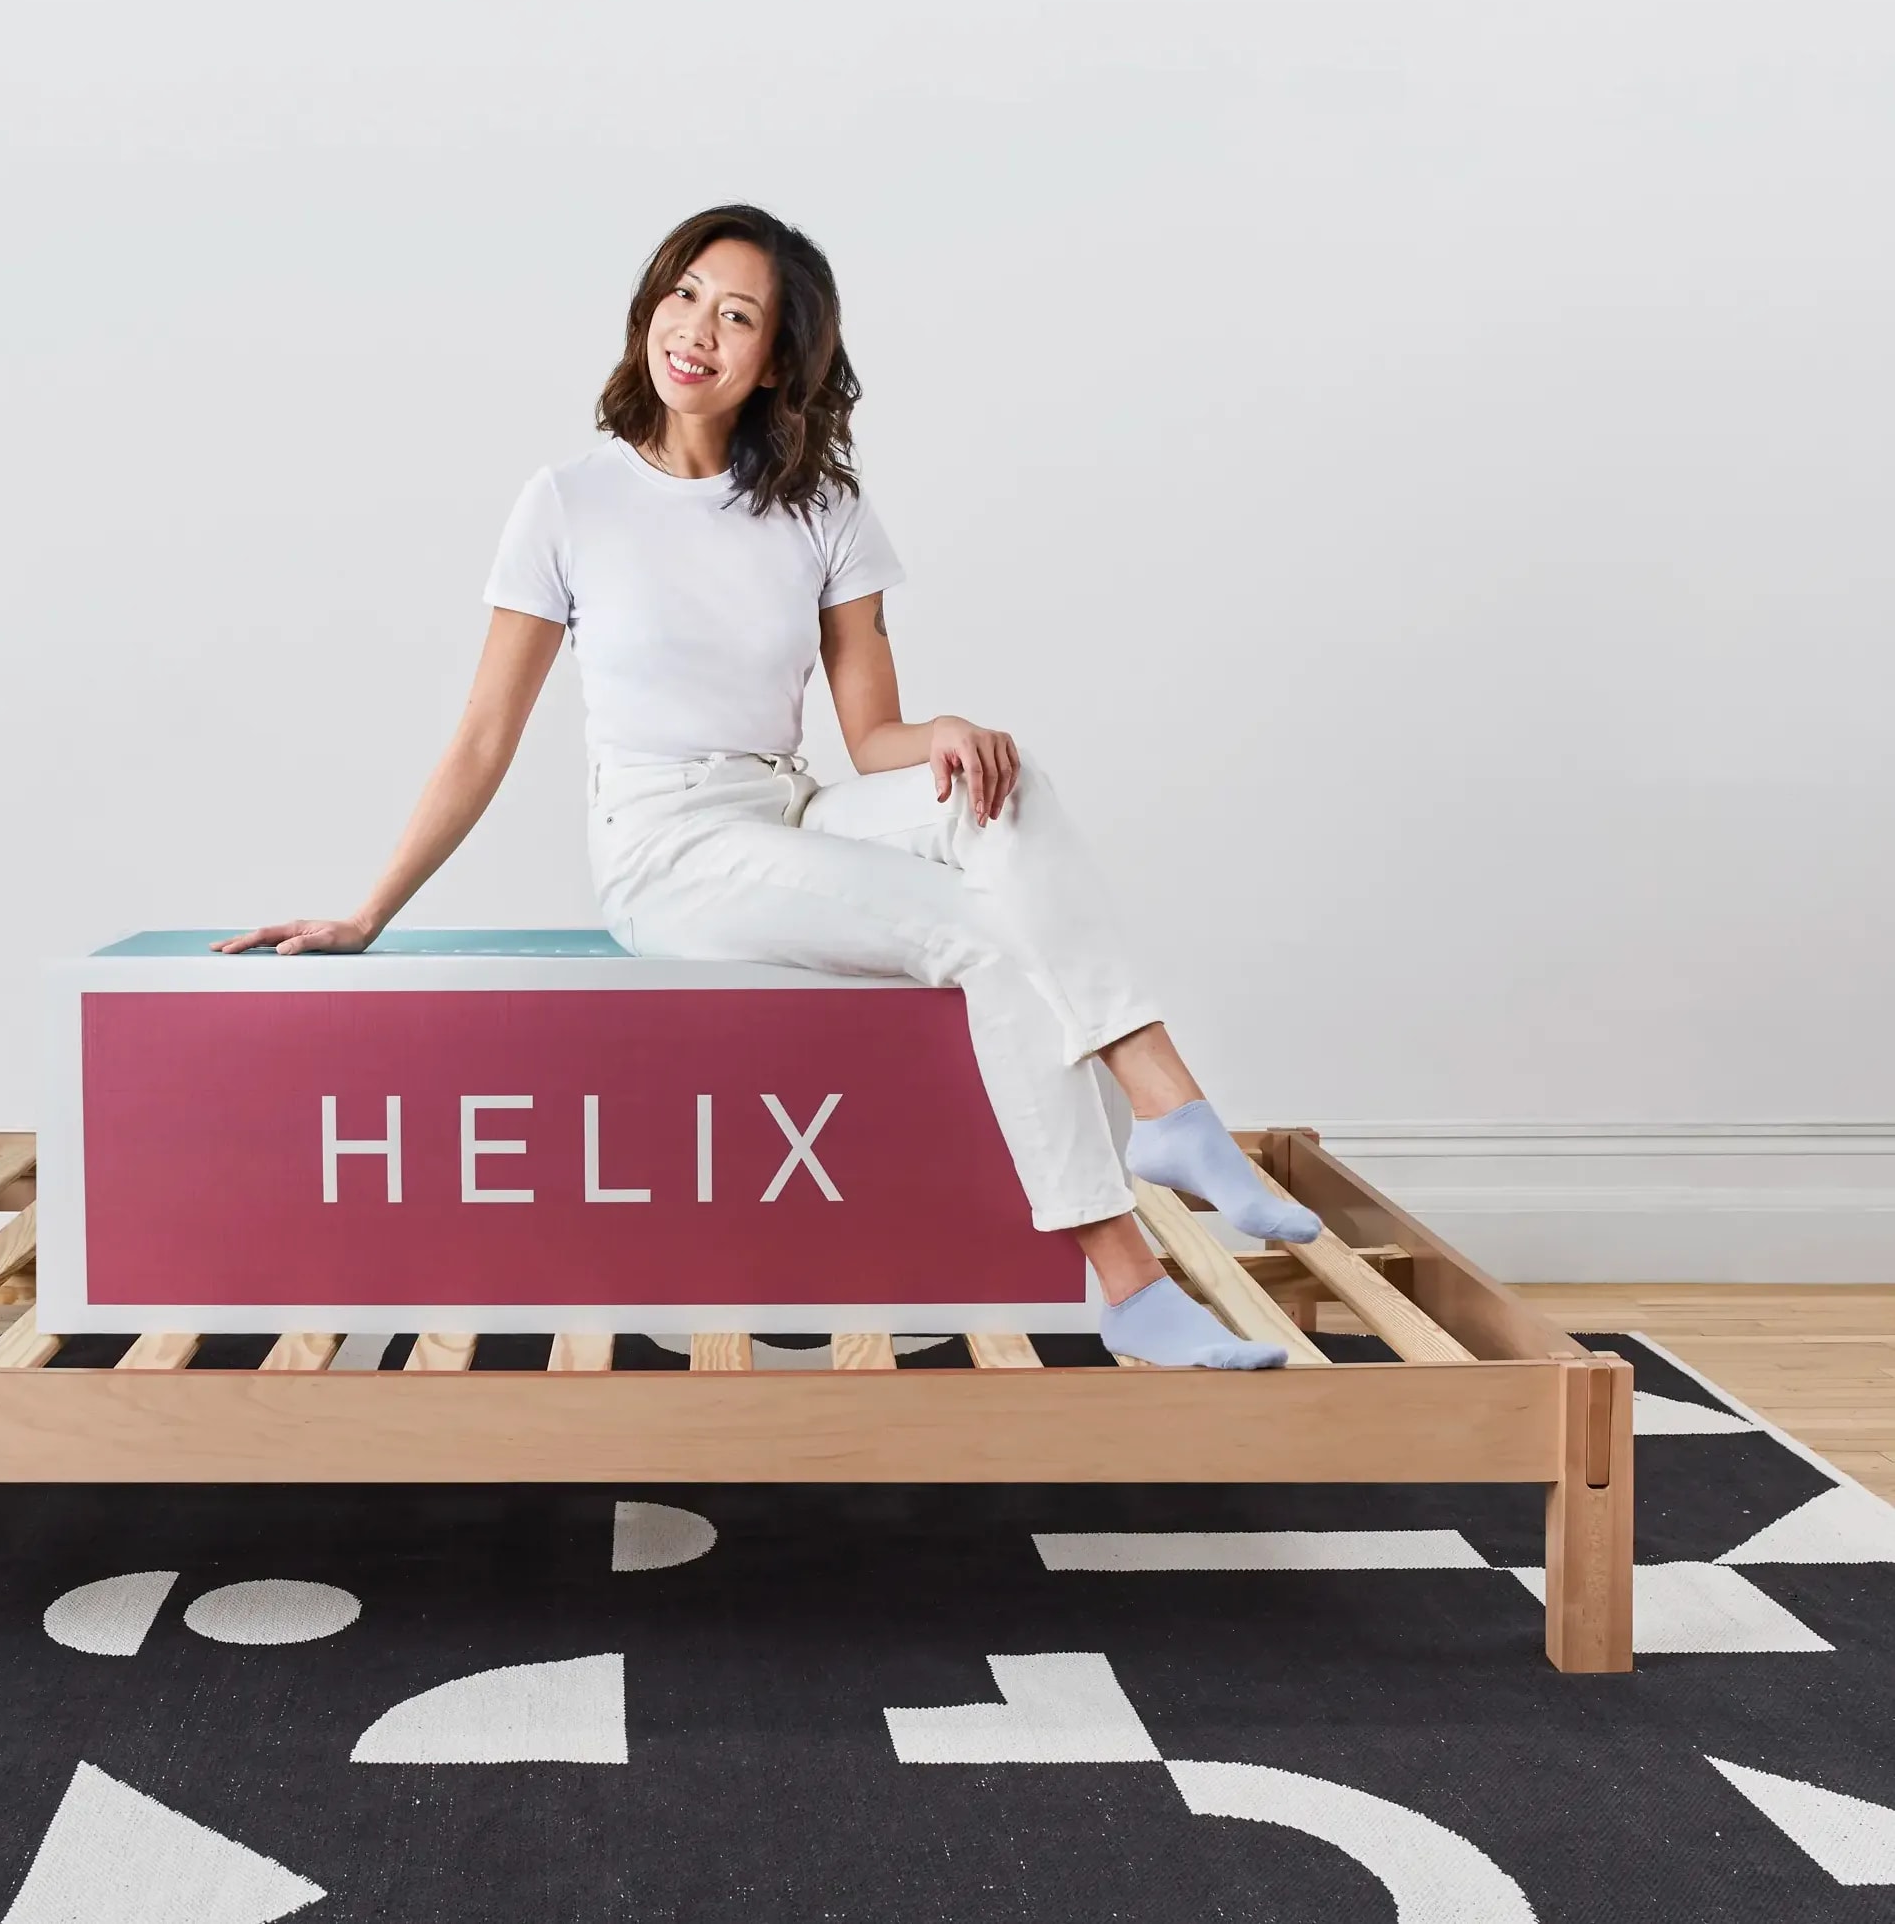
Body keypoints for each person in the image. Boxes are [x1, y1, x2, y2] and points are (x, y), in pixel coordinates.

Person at [215, 203, 1320, 1369]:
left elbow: (871, 735)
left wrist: (942, 730)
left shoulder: (822, 507)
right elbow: (484, 736)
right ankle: (1126, 1275)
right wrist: (368, 911)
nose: (694, 330)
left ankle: (1166, 1108)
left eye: (734, 315)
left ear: (778, 359)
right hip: (665, 847)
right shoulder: (569, 502)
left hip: (788, 801)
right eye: (683, 295)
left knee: (1001, 782)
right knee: (978, 936)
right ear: (650, 305)